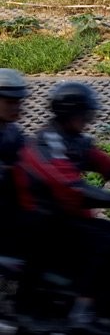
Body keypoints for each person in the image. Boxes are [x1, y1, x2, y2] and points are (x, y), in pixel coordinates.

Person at [14, 81, 110, 333]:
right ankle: (83, 309)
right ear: (70, 114)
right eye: (84, 114)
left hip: (65, 217)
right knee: (105, 243)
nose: (88, 119)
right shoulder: (49, 143)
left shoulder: (75, 140)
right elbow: (73, 188)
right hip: (42, 221)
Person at [0, 68, 29, 255]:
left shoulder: (11, 131)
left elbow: (30, 154)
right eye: (10, 102)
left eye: (18, 102)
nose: (17, 107)